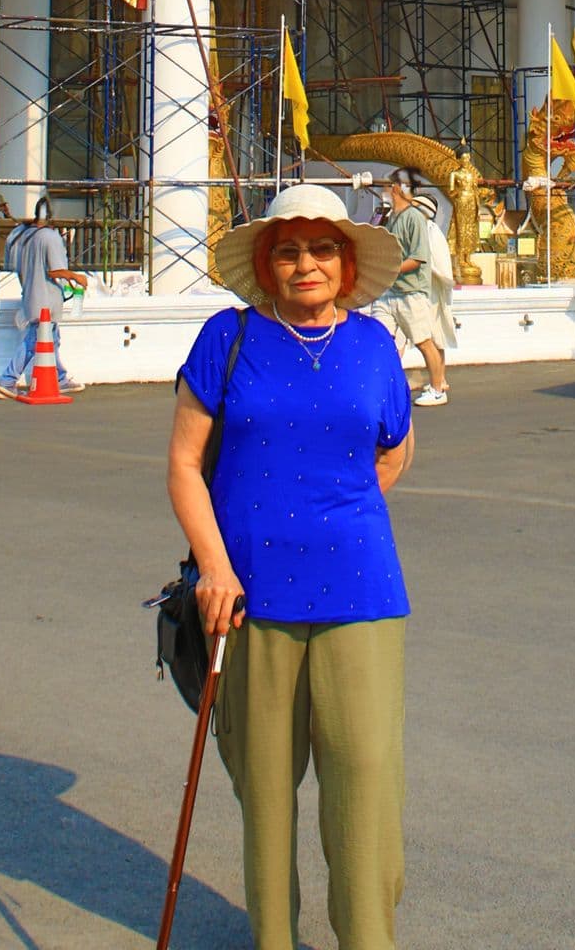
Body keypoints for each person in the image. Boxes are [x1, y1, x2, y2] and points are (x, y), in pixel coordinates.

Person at [167, 182, 414, 950]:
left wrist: (334, 513)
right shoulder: (227, 338)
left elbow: (395, 447)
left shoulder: (374, 343)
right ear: (266, 264)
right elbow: (182, 464)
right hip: (247, 597)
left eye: (321, 249)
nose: (305, 264)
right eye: (288, 250)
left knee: (365, 788)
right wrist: (215, 564)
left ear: (346, 262)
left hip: (361, 593)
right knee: (267, 796)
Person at [0, 197, 87, 399]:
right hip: (46, 299)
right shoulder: (49, 237)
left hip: (29, 294)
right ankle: (8, 380)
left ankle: (59, 378)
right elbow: (55, 271)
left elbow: (14, 266)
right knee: (36, 340)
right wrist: (75, 277)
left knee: (52, 339)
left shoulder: (20, 234)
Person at [377, 168, 449, 405]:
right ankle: (389, 386)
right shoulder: (392, 218)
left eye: (387, 187)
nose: (384, 191)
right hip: (390, 291)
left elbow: (418, 257)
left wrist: (391, 269)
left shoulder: (415, 219)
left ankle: (438, 387)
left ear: (397, 189)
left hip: (411, 292)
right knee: (381, 340)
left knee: (423, 341)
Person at [413, 190, 458, 362]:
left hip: (431, 292)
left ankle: (438, 382)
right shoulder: (418, 231)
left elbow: (439, 267)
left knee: (435, 337)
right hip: (416, 291)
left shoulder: (433, 232)